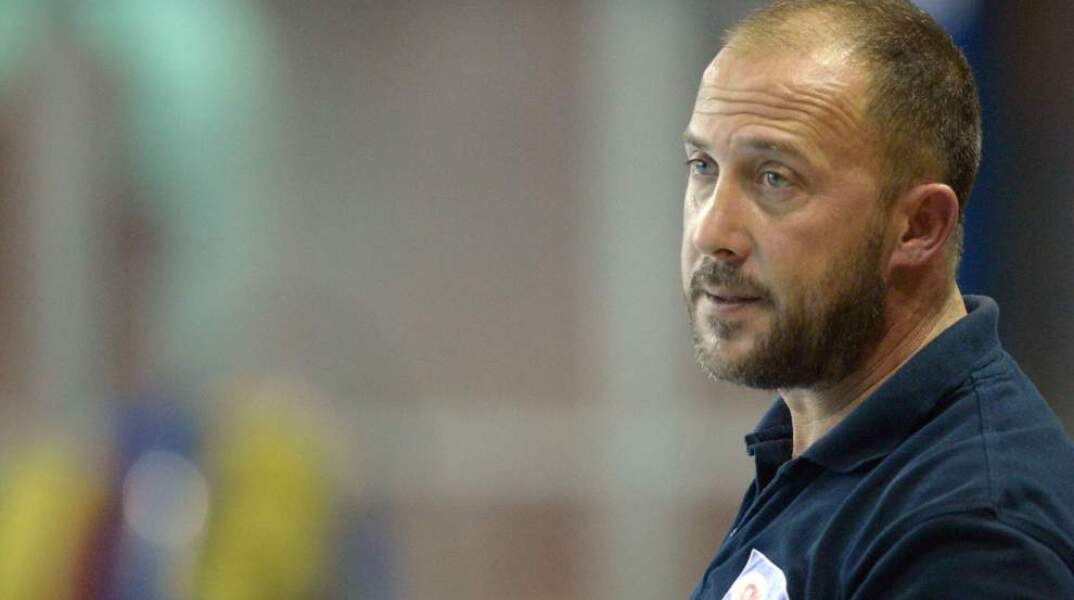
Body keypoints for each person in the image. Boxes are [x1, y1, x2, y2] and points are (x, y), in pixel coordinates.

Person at [680, 1, 1074, 598]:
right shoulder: (818, 446)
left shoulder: (972, 538)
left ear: (918, 226)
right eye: (704, 166)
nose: (712, 232)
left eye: (775, 178)